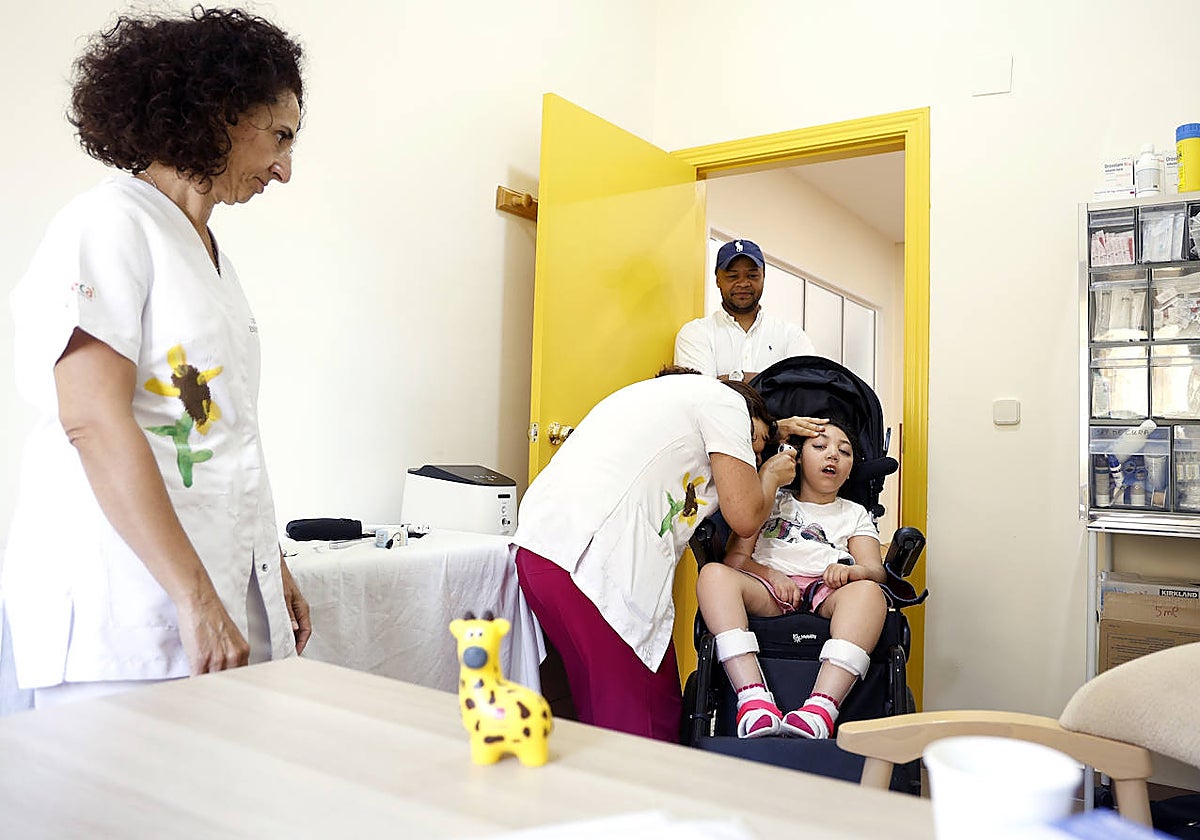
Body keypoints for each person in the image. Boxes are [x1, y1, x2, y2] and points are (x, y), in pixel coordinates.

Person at [3, 7, 311, 710]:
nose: (286, 170)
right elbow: (91, 420)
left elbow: (222, 437)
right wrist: (195, 597)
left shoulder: (209, 258)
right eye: (281, 137)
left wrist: (271, 567)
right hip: (127, 619)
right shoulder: (108, 224)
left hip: (200, 611)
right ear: (220, 114)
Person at [512, 366, 826, 742]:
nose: (754, 459)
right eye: (754, 446)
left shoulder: (654, 400)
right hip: (595, 567)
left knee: (598, 714)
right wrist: (772, 476)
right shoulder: (725, 401)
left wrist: (772, 430)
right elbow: (744, 516)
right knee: (647, 723)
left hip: (542, 554)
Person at [696, 418, 887, 739]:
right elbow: (736, 559)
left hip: (828, 591)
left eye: (845, 451)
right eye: (820, 447)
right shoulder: (771, 499)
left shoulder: (853, 513)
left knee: (869, 592)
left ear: (852, 467)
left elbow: (875, 569)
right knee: (713, 574)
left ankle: (821, 709)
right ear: (796, 457)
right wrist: (768, 573)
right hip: (768, 589)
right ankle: (753, 699)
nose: (833, 456)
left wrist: (853, 572)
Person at [674, 239, 815, 382]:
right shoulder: (695, 333)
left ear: (763, 277)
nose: (743, 284)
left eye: (752, 276)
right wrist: (777, 383)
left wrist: (730, 379)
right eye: (733, 276)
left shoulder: (791, 336)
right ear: (717, 280)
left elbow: (804, 389)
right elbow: (700, 394)